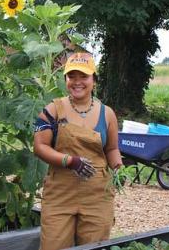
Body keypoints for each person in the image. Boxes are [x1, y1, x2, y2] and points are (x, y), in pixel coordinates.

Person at [33, 52, 123, 250]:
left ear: (94, 80)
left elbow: (112, 148)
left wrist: (118, 167)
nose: (77, 82)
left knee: (95, 246)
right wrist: (70, 161)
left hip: (97, 195)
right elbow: (39, 146)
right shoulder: (53, 110)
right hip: (60, 194)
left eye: (84, 76)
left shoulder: (107, 114)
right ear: (65, 79)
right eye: (71, 76)